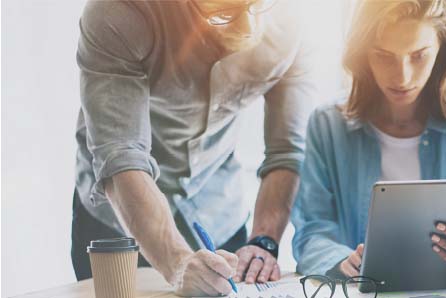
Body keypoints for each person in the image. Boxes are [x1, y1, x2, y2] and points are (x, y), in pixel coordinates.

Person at [72, 0, 317, 296]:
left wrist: (264, 240)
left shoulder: (294, 16)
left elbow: (287, 150)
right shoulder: (119, 10)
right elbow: (121, 154)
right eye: (222, 14)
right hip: (118, 219)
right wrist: (177, 264)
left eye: (257, 6)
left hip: (219, 210)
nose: (246, 30)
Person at [291, 0, 446, 285]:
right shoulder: (327, 124)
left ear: (442, 51)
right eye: (383, 56)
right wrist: (342, 262)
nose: (401, 77)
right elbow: (311, 234)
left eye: (418, 55)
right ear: (362, 54)